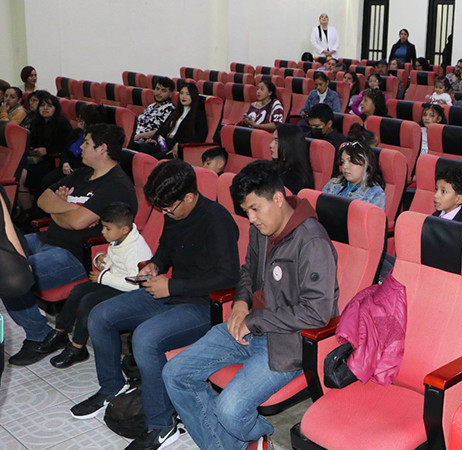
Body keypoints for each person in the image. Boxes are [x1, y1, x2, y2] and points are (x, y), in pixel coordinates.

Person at [164, 159, 338, 450]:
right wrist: (241, 304)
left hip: (288, 344)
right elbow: (247, 271)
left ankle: (259, 434)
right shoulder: (262, 229)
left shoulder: (312, 241)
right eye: (246, 211)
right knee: (175, 374)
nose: (252, 218)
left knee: (229, 411)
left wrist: (254, 321)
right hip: (249, 325)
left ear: (279, 198)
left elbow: (316, 312)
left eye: (255, 208)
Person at [72, 160, 239, 450]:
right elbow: (166, 250)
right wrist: (155, 264)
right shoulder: (174, 211)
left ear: (189, 196)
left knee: (146, 337)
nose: (165, 214)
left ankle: (163, 426)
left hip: (204, 305)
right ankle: (112, 388)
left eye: (169, 208)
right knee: (100, 315)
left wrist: (171, 285)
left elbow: (228, 277)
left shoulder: (217, 220)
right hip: (169, 293)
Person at [5, 124, 137, 366]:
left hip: (75, 255)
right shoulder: (83, 173)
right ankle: (41, 330)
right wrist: (70, 210)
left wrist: (63, 209)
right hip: (45, 239)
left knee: (7, 276)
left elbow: (77, 224)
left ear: (102, 148)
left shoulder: (116, 185)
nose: (80, 148)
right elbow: (43, 197)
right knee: (4, 255)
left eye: (86, 143)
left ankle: (39, 334)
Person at [42, 203, 152, 369]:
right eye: (103, 227)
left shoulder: (136, 249)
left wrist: (103, 277)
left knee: (89, 301)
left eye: (107, 229)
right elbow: (114, 262)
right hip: (114, 281)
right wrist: (100, 259)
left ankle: (78, 347)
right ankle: (60, 331)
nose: (102, 232)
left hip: (129, 291)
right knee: (79, 290)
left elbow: (135, 285)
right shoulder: (120, 238)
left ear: (124, 229)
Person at [39, 103, 105, 190]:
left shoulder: (97, 138)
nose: (78, 120)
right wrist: (65, 163)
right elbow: (65, 151)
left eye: (82, 118)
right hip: (66, 167)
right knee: (46, 182)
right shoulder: (76, 133)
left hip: (81, 171)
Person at [140, 83, 207, 159]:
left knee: (154, 158)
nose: (183, 96)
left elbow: (200, 137)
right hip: (163, 143)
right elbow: (162, 128)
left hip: (177, 147)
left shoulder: (199, 115)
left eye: (187, 94)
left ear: (193, 96)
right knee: (141, 147)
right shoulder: (175, 111)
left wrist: (180, 144)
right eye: (181, 93)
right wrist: (154, 139)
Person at [25, 92, 73, 195]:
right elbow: (33, 141)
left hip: (54, 160)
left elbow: (66, 146)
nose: (45, 108)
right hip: (39, 158)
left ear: (55, 108)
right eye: (42, 105)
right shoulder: (36, 121)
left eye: (49, 106)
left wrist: (47, 150)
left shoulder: (62, 123)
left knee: (29, 173)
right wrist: (32, 150)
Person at [323, 140, 386, 209]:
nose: (345, 166)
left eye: (351, 161)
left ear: (366, 164)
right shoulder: (333, 183)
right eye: (343, 161)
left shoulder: (375, 194)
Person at [270, 123, 314, 194]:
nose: (271, 145)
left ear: (288, 144)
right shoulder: (271, 168)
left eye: (276, 141)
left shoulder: (299, 181)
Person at [131, 77, 175, 145]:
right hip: (135, 136)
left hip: (148, 141)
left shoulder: (170, 109)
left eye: (163, 91)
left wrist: (140, 136)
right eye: (157, 89)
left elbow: (162, 130)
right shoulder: (150, 106)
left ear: (170, 94)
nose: (158, 93)